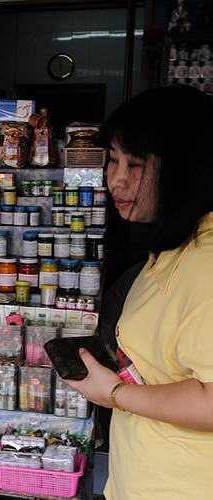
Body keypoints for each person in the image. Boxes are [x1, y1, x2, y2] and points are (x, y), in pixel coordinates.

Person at [66, 85, 213, 499]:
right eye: (112, 160)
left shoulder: (207, 265)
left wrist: (113, 393)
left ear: (185, 169)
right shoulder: (170, 252)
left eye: (136, 164)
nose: (116, 180)